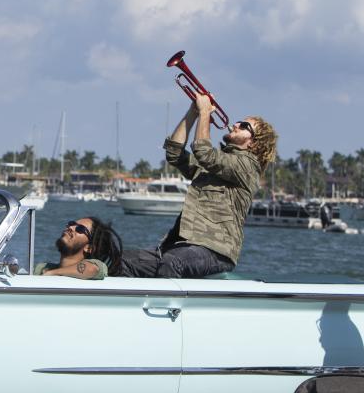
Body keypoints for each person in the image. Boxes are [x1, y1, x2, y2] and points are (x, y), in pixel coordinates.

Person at [118, 94, 277, 278]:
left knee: (172, 262)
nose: (236, 124)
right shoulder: (218, 164)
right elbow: (174, 153)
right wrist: (192, 113)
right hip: (181, 245)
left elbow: (204, 152)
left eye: (244, 126)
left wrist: (205, 112)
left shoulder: (248, 167)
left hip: (215, 250)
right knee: (120, 260)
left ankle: (168, 298)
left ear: (253, 143)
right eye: (239, 122)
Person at [32, 217, 123, 280]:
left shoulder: (96, 266)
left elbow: (92, 269)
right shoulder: (42, 268)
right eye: (72, 223)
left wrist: (53, 273)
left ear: (89, 248)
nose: (70, 227)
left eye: (80, 229)